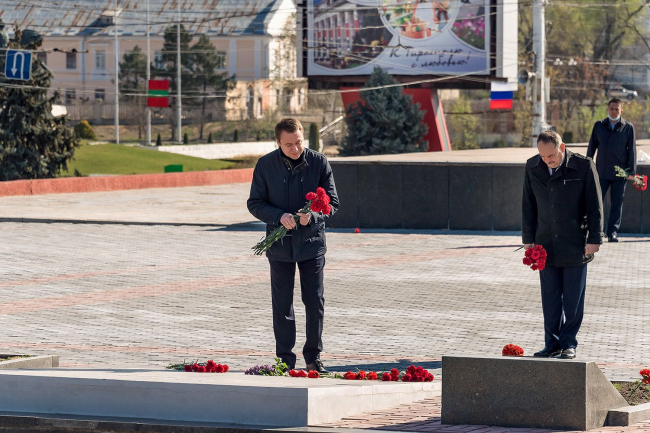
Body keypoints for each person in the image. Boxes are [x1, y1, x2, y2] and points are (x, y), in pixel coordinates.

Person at [247, 118, 339, 373]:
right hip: (280, 246)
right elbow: (255, 203)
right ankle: (285, 359)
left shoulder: (319, 162)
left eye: (299, 142)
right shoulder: (265, 165)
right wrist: (279, 216)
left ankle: (313, 357)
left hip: (311, 244)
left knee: (314, 301)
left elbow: (333, 202)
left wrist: (314, 216)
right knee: (282, 304)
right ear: (278, 142)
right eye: (289, 145)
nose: (296, 148)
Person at [522, 131, 603, 360]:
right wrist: (528, 239)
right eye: (543, 156)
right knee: (550, 298)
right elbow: (528, 204)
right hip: (545, 243)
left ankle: (568, 343)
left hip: (576, 243)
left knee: (572, 300)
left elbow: (595, 205)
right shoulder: (532, 166)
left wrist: (595, 238)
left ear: (562, 147)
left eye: (551, 155)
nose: (547, 160)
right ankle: (552, 344)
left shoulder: (583, 166)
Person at [587, 98, 637, 242]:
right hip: (601, 172)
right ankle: (597, 231)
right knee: (597, 203)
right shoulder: (599, 126)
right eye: (611, 108)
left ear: (621, 111)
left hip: (620, 173)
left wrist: (631, 172)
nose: (614, 111)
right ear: (608, 109)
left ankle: (612, 232)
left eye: (617, 109)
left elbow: (631, 151)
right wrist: (587, 166)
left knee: (617, 203)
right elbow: (591, 147)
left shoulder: (628, 127)